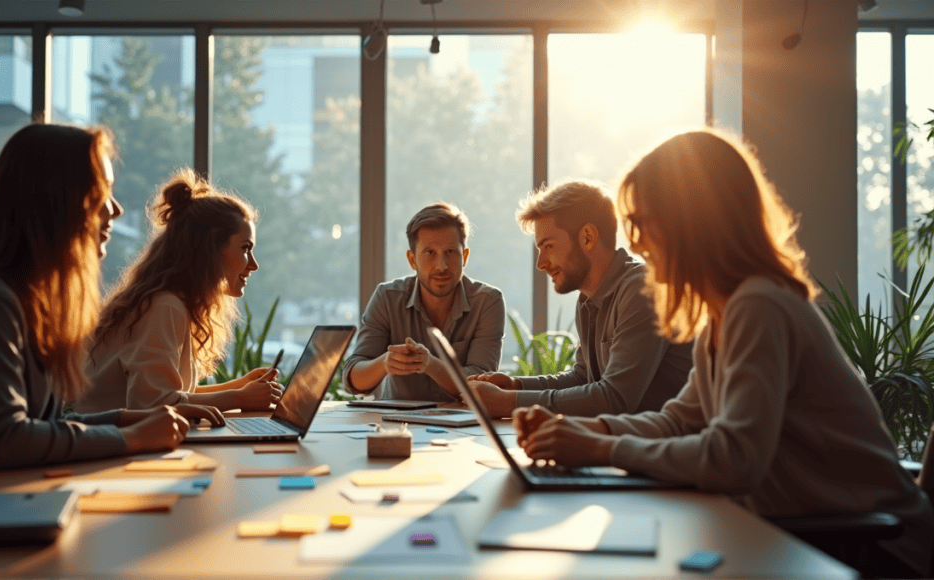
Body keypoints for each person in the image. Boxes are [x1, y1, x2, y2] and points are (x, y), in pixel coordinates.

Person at [513, 129, 934, 576]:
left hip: (871, 549)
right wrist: (581, 430)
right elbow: (679, 421)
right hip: (808, 533)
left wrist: (599, 448)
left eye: (643, 222)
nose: (634, 243)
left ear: (690, 220)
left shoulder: (759, 307)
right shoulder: (725, 312)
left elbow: (733, 458)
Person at [0, 124, 223, 492]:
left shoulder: (26, 301)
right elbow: (1, 441)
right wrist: (132, 439)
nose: (116, 209)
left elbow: (41, 427)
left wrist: (131, 420)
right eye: (101, 193)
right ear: (56, 200)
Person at [468, 181, 692, 418]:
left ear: (587, 237)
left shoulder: (641, 290)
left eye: (549, 246)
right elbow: (582, 377)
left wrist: (509, 402)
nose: (541, 263)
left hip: (666, 446)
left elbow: (615, 398)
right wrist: (516, 386)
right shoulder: (587, 300)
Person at [73, 169, 282, 414]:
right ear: (211, 250)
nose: (253, 264)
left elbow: (166, 394)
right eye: (245, 248)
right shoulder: (165, 306)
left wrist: (239, 388)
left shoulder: (169, 301)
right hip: (113, 447)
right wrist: (239, 398)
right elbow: (153, 403)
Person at [342, 202, 505, 401]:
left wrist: (432, 365)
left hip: (463, 428)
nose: (441, 266)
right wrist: (385, 363)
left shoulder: (487, 302)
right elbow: (352, 378)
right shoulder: (387, 298)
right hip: (399, 426)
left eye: (451, 252)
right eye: (430, 253)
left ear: (465, 256)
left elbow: (482, 385)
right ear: (412, 260)